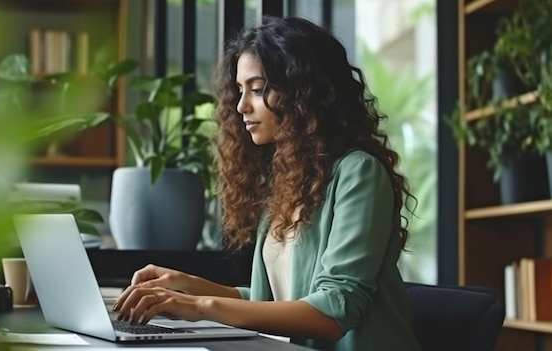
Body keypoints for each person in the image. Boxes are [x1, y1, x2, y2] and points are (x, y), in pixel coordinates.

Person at [114, 16, 421, 351]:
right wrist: (187, 285)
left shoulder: (358, 173)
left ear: (304, 93)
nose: (242, 106)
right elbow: (272, 300)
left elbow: (333, 312)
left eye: (258, 90)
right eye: (240, 90)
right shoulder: (287, 182)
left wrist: (200, 307)